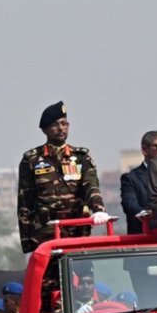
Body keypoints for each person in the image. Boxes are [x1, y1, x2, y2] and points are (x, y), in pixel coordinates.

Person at [18, 101, 107, 254]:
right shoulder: (31, 160)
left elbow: (91, 185)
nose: (60, 128)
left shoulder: (81, 156)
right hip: (46, 232)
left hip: (77, 229)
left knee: (82, 276)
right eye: (55, 125)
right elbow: (25, 203)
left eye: (64, 123)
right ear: (45, 130)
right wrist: (27, 243)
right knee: (49, 277)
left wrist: (98, 209)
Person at [121, 130, 157, 234]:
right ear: (145, 150)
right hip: (145, 236)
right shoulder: (131, 178)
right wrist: (145, 215)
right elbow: (130, 204)